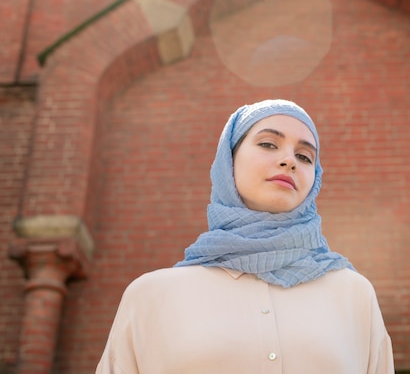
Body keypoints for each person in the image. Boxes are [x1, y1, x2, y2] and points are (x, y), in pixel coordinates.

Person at [95, 99, 394, 374]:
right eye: (268, 144)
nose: (289, 160)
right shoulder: (151, 296)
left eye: (304, 156)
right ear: (229, 161)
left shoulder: (353, 293)